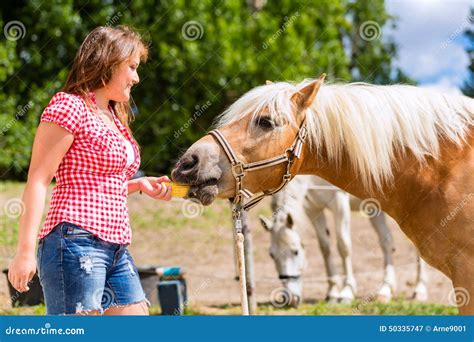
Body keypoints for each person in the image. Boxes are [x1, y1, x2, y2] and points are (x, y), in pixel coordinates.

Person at [8, 26, 171, 315]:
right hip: (74, 242)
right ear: (109, 62)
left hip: (116, 246)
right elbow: (38, 179)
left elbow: (95, 182)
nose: (137, 77)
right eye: (131, 67)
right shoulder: (69, 107)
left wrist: (138, 185)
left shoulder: (112, 116)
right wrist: (24, 252)